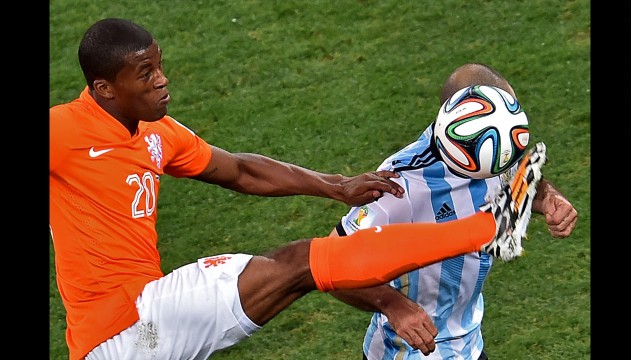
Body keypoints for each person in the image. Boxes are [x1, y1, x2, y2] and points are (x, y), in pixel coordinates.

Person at [49, 19, 536, 360]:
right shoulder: (65, 131)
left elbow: (239, 170)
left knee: (301, 266)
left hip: (148, 317)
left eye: (159, 66)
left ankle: (489, 226)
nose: (163, 80)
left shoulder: (156, 131)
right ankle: (489, 227)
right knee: (303, 261)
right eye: (146, 74)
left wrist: (337, 186)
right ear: (105, 88)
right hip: (117, 329)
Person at [327, 63, 579, 360]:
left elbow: (517, 177)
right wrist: (393, 305)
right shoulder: (400, 183)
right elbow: (331, 261)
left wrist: (549, 198)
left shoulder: (492, 146)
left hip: (468, 344)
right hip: (413, 350)